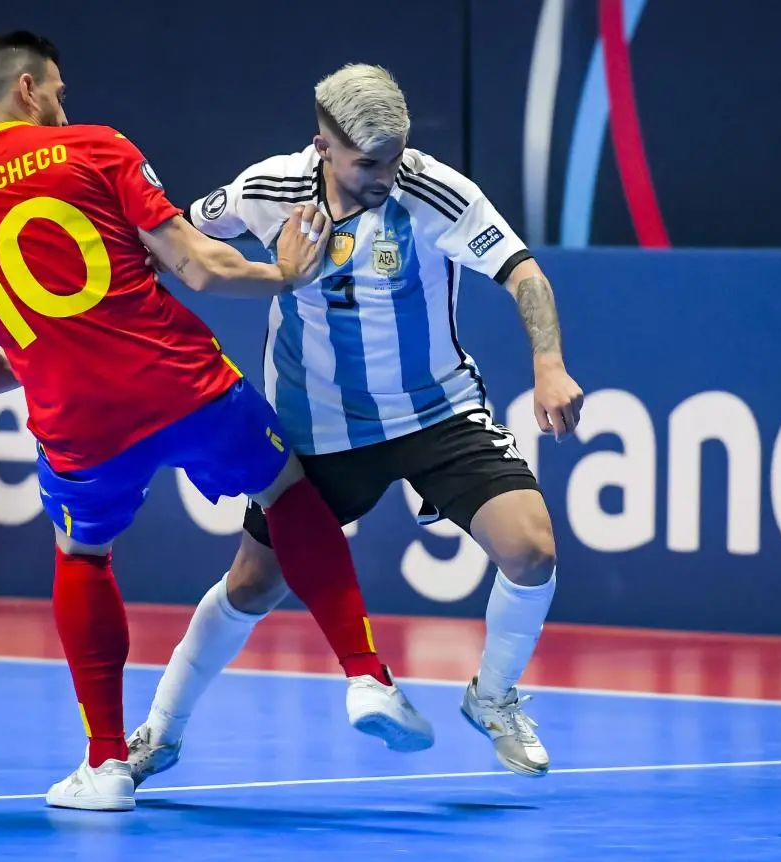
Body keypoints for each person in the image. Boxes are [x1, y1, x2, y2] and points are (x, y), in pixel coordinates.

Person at [0, 35, 432, 813]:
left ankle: (106, 766)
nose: (63, 105)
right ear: (26, 89)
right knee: (288, 492)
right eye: (55, 91)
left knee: (83, 552)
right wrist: (285, 274)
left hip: (78, 426)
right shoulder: (95, 148)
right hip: (181, 385)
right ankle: (366, 676)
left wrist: (62, 353)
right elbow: (196, 265)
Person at [129, 64, 584, 784]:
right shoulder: (268, 188)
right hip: (317, 430)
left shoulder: (433, 191)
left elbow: (522, 270)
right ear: (323, 148)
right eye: (368, 162)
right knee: (250, 588)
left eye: (395, 156)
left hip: (436, 410)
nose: (385, 173)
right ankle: (158, 732)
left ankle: (492, 697)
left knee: (532, 551)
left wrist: (549, 363)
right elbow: (175, 240)